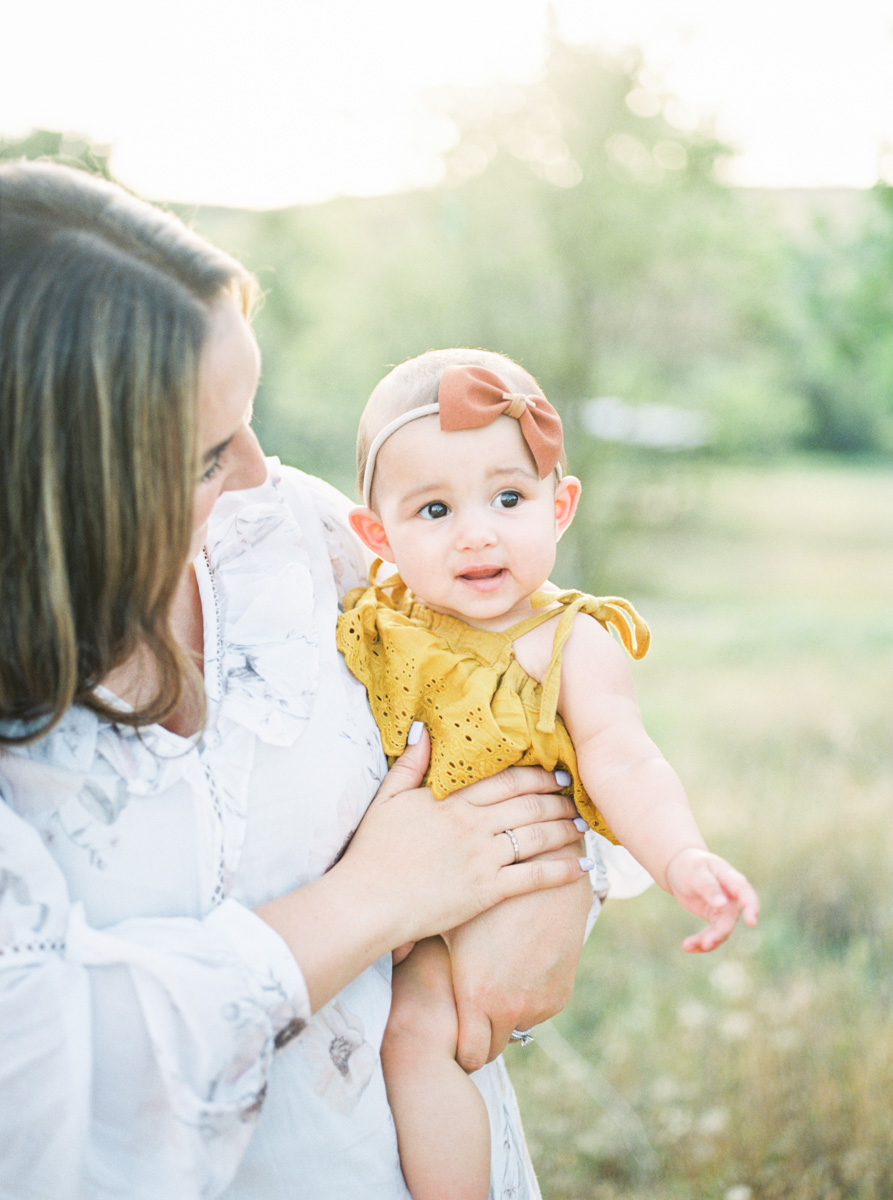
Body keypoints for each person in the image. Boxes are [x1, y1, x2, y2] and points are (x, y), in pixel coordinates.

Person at [0, 163, 599, 1200]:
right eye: (199, 456)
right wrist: (373, 898)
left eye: (247, 416)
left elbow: (505, 709)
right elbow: (52, 1103)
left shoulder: (294, 537)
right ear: (57, 493)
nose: (256, 475)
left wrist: (549, 902)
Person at [336, 348, 761, 1200]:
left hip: (505, 881)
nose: (477, 532)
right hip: (402, 876)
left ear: (558, 505)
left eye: (507, 498)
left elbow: (624, 755)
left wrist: (681, 856)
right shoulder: (380, 617)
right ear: (376, 537)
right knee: (391, 1029)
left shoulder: (567, 642)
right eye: (433, 508)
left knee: (418, 1036)